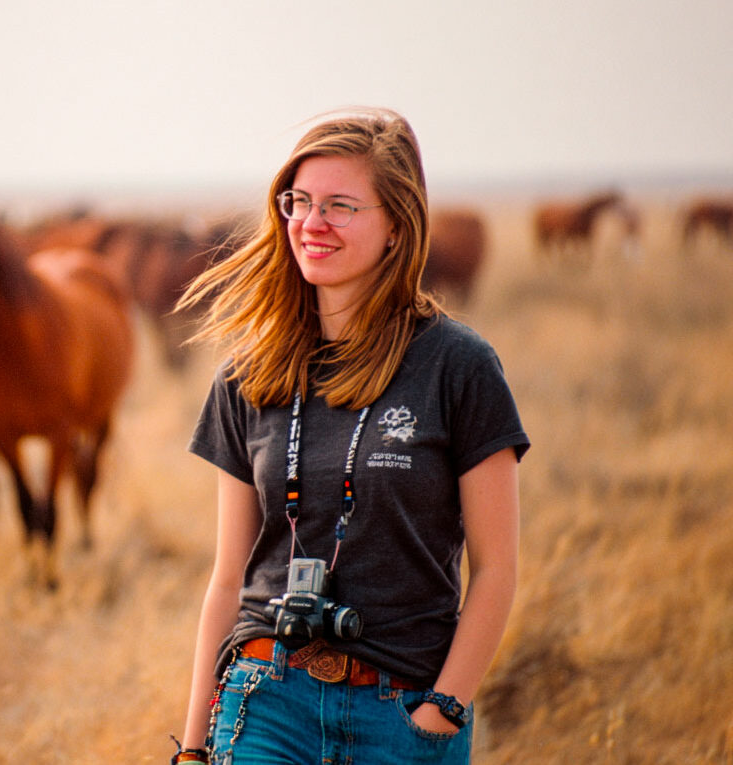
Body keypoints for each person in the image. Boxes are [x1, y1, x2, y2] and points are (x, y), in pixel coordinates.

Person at [171, 108, 529, 764]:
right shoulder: (247, 376)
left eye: (340, 204)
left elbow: (497, 569)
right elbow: (228, 577)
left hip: (402, 711)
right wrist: (193, 746)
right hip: (266, 700)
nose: (311, 222)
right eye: (299, 201)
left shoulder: (458, 367)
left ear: (397, 224)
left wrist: (442, 709)